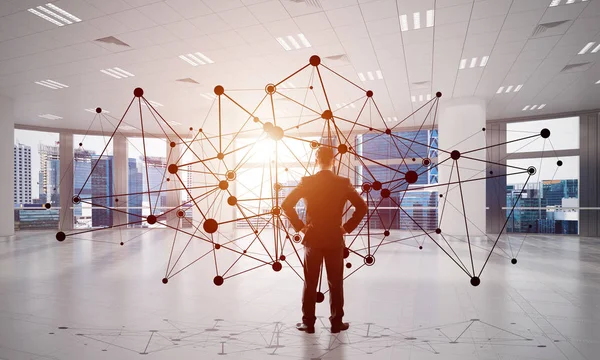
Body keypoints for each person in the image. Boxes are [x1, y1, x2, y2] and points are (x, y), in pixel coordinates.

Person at [282, 146, 368, 334]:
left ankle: (308, 323)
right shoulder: (343, 182)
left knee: (310, 281)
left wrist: (301, 226)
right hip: (335, 238)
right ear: (334, 161)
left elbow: (286, 205)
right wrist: (346, 228)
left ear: (315, 160)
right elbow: (362, 207)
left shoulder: (306, 182)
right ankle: (336, 323)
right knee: (336, 282)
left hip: (313, 238)